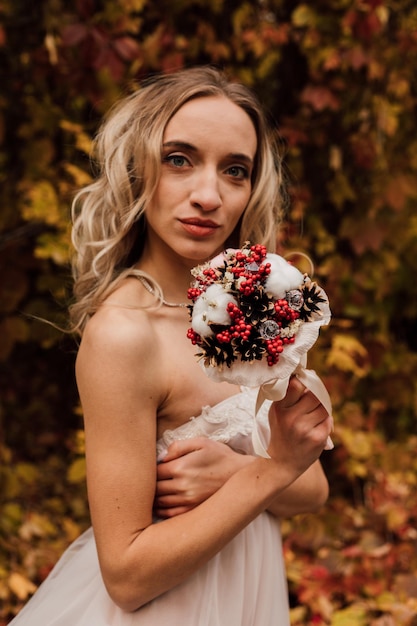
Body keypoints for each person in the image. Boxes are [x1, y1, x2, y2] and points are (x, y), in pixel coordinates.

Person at [9, 66, 332, 626]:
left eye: (235, 171)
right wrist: (266, 472)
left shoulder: (251, 306)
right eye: (179, 159)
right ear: (138, 168)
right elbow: (127, 577)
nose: (208, 195)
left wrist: (237, 471)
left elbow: (313, 486)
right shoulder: (125, 333)